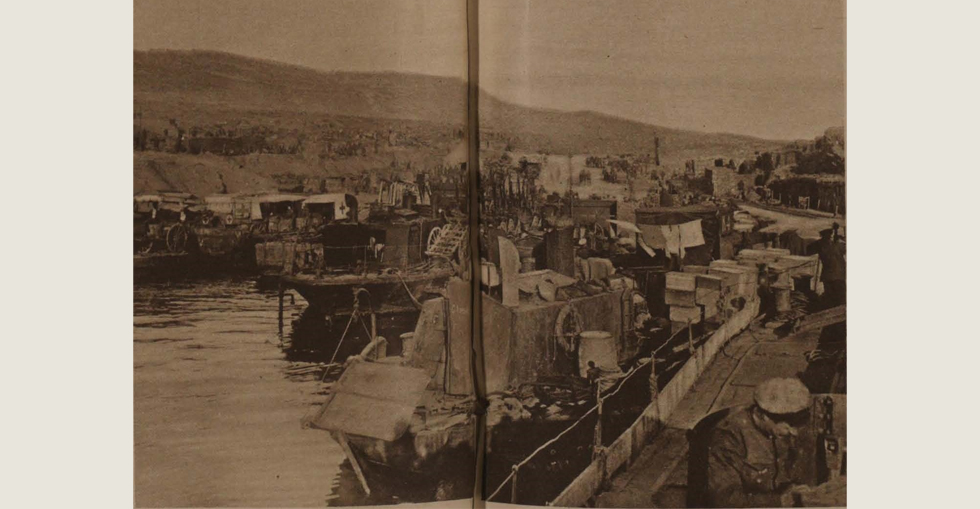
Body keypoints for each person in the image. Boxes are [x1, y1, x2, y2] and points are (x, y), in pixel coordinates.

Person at [705, 378, 816, 507]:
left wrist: (794, 488)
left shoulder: (785, 430)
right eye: (786, 426)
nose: (793, 432)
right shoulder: (728, 437)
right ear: (761, 415)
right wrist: (779, 501)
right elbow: (725, 499)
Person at [812, 227, 846, 307]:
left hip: (829, 276)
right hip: (838, 275)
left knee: (831, 297)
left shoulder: (820, 245)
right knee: (840, 297)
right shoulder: (839, 245)